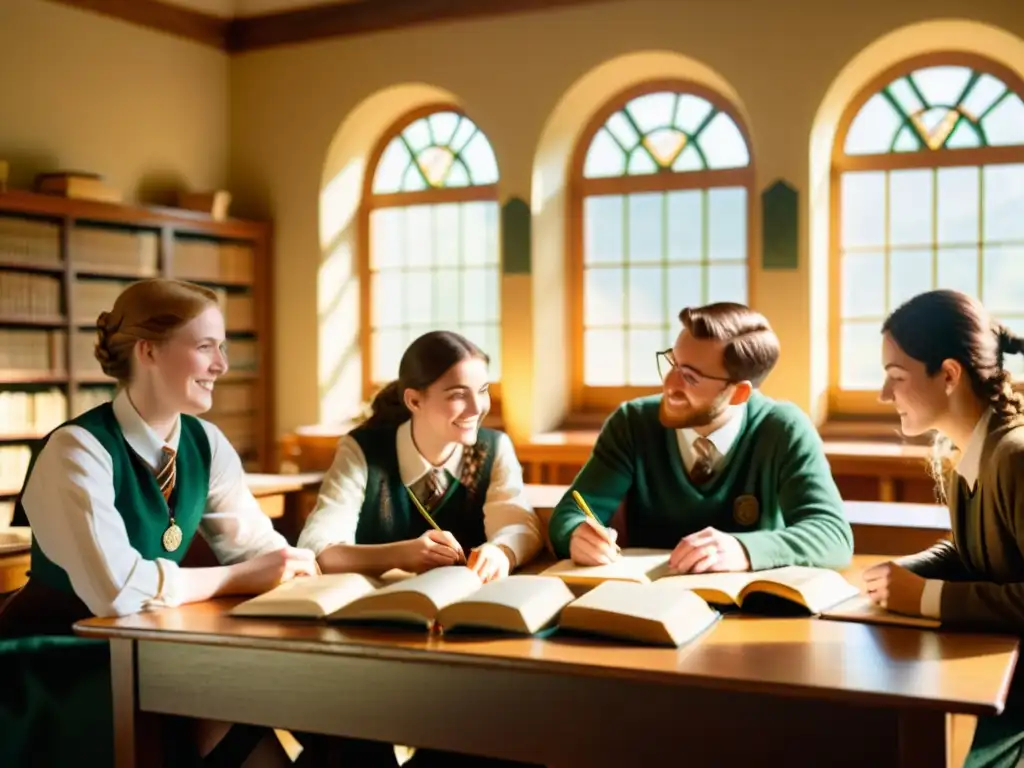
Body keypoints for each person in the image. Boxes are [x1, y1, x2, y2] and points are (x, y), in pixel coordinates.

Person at [0, 278, 319, 767]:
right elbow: (117, 593)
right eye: (205, 347)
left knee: (313, 704)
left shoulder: (205, 442)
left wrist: (298, 574)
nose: (222, 365)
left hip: (153, 646)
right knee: (213, 694)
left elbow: (257, 549)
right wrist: (237, 578)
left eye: (223, 347)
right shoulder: (75, 450)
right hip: (60, 661)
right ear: (148, 352)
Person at [297, 329, 543, 767]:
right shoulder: (363, 451)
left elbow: (519, 524)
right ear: (413, 401)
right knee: (346, 737)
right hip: (371, 647)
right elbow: (319, 547)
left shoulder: (492, 449)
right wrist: (399, 554)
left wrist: (501, 552)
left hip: (465, 648)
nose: (476, 409)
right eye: (457, 395)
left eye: (482, 391)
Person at [548, 302, 853, 574]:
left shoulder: (783, 428)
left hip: (748, 618)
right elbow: (572, 511)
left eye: (690, 377)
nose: (669, 385)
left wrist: (743, 549)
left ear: (739, 393)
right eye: (672, 364)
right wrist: (577, 534)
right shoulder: (632, 422)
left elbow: (832, 535)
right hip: (645, 609)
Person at [863, 289, 1024, 768]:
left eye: (896, 377)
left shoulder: (1014, 457)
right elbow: (977, 552)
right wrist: (904, 573)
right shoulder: (967, 451)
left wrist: (926, 597)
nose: (884, 395)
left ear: (949, 374)